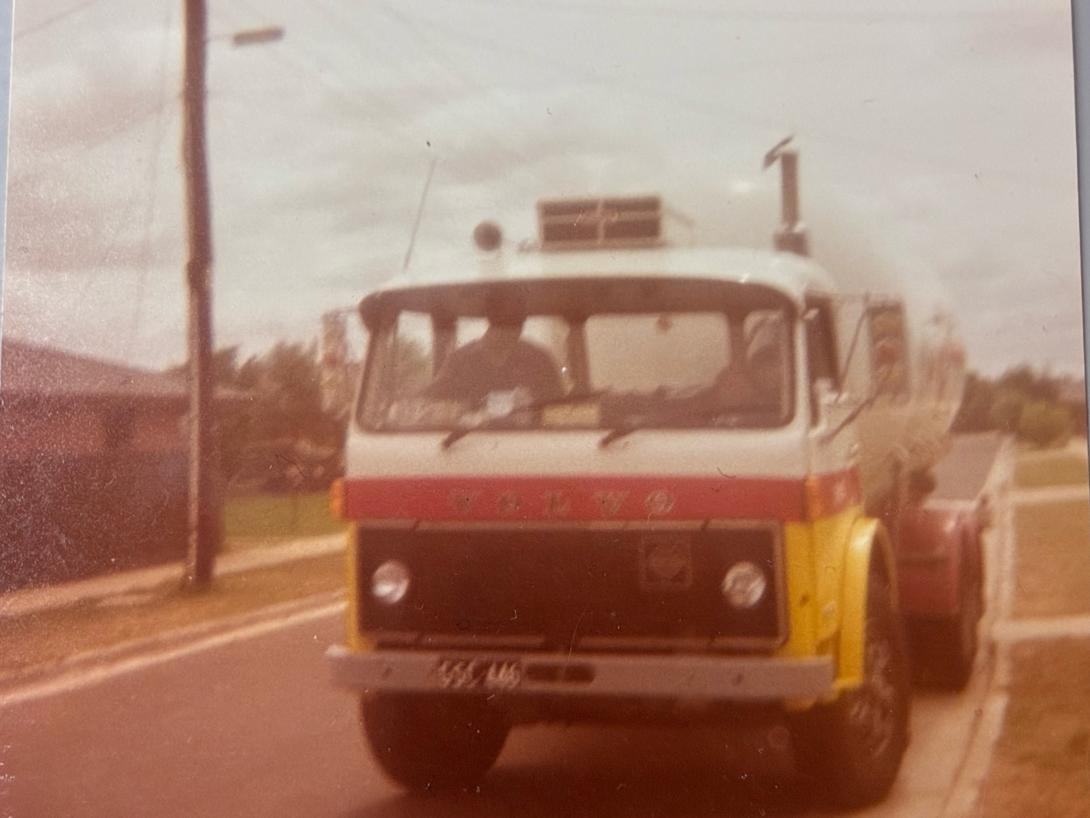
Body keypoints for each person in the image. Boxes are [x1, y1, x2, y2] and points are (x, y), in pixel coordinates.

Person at [426, 314, 564, 409]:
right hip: (469, 442)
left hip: (533, 442)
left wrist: (533, 402)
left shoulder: (539, 358)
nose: (513, 329)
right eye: (502, 321)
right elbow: (434, 401)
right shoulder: (459, 359)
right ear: (490, 320)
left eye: (517, 321)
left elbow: (558, 407)